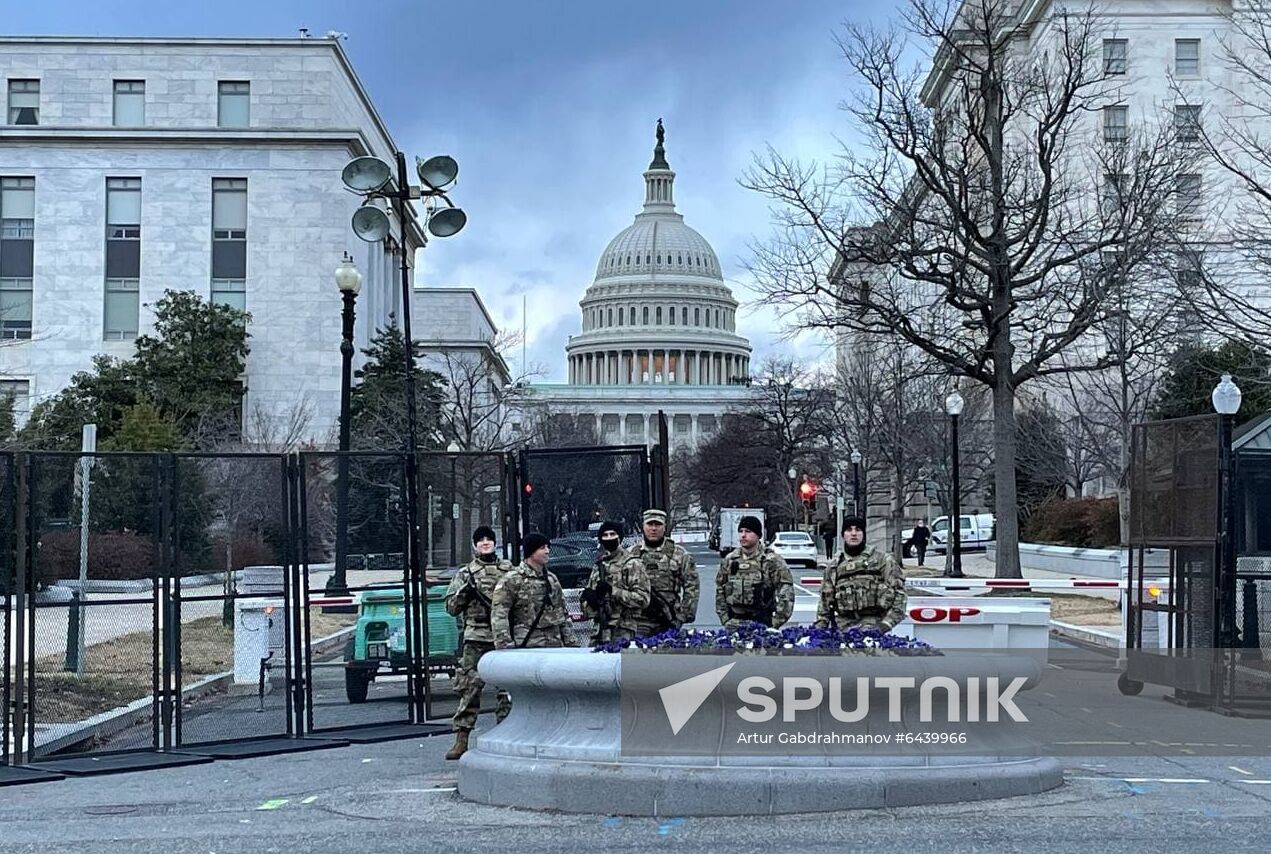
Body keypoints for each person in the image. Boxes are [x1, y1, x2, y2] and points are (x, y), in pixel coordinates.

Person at [442, 526, 513, 761]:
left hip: (503, 637)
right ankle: (461, 739)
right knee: (470, 689)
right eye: (480, 540)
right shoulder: (466, 574)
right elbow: (451, 608)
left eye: (488, 539)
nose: (485, 543)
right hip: (476, 637)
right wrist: (465, 593)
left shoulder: (508, 570)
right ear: (474, 545)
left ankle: (506, 736)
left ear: (495, 543)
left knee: (506, 691)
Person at [815, 515, 907, 633]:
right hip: (843, 629)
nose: (854, 534)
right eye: (849, 530)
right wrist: (818, 631)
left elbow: (900, 595)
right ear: (843, 535)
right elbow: (825, 604)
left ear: (863, 534)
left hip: (875, 627)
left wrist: (885, 625)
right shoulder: (834, 567)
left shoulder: (882, 561)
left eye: (858, 530)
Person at [491, 533, 578, 650]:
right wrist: (505, 646)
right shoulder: (512, 580)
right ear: (531, 552)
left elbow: (562, 613)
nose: (547, 551)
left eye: (547, 547)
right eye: (542, 548)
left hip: (554, 646)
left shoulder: (551, 579)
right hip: (527, 647)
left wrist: (572, 644)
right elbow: (499, 615)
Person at [627, 509, 699, 637]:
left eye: (658, 525)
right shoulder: (631, 554)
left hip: (668, 620)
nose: (653, 529)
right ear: (643, 526)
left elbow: (692, 587)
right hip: (637, 621)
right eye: (650, 524)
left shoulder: (680, 554)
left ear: (665, 527)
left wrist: (683, 616)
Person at [715, 515, 794, 629]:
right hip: (733, 623)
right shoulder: (730, 560)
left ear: (758, 535)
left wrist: (774, 623)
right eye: (741, 531)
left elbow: (786, 593)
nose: (743, 535)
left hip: (762, 624)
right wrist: (725, 619)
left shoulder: (771, 561)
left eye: (748, 531)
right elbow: (720, 590)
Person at [580, 521, 650, 643]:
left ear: (620, 538)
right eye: (605, 535)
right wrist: (592, 601)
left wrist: (613, 591)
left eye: (612, 534)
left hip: (622, 630)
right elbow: (587, 609)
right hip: (599, 630)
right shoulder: (599, 565)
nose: (609, 538)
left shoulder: (632, 564)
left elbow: (643, 599)